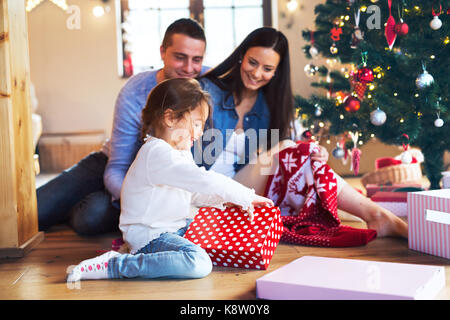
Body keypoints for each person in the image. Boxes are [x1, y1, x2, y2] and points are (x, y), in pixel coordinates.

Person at [196, 27, 408, 238]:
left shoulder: (268, 105)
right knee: (290, 149)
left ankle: (375, 214)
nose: (257, 73)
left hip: (241, 185)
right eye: (253, 62)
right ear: (241, 56)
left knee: (296, 151)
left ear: (276, 71)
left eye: (267, 68)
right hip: (204, 187)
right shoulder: (207, 91)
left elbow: (288, 155)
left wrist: (315, 154)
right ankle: (376, 214)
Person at [67, 78, 273, 281]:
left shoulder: (180, 152)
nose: (200, 133)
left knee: (218, 239)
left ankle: (142, 256)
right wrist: (246, 195)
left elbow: (194, 193)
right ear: (170, 118)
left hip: (176, 229)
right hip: (151, 236)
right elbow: (204, 180)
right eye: (197, 124)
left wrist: (223, 201)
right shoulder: (157, 152)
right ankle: (117, 265)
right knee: (199, 262)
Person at [36, 18, 209, 235]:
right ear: (163, 52)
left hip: (148, 179)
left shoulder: (206, 81)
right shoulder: (135, 91)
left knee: (90, 217)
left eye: (197, 60)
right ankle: (72, 199)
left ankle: (75, 206)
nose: (189, 68)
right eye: (180, 57)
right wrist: (139, 198)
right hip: (109, 164)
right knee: (36, 210)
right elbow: (116, 168)